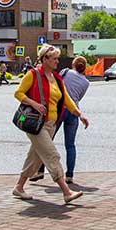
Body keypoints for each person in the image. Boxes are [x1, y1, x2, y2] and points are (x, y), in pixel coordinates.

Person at [11, 45, 88, 204]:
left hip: (51, 124)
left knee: (35, 156)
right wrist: (34, 104)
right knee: (52, 155)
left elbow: (66, 98)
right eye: (54, 59)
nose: (57, 62)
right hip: (36, 124)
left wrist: (80, 114)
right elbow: (18, 93)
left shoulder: (56, 77)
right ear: (44, 59)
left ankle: (19, 187)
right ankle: (66, 192)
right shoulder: (33, 74)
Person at [31, 56, 91, 184]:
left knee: (46, 141)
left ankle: (40, 171)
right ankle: (69, 175)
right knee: (70, 145)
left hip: (59, 110)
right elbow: (78, 98)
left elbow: (55, 85)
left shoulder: (65, 72)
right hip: (73, 111)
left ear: (73, 64)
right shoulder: (86, 82)